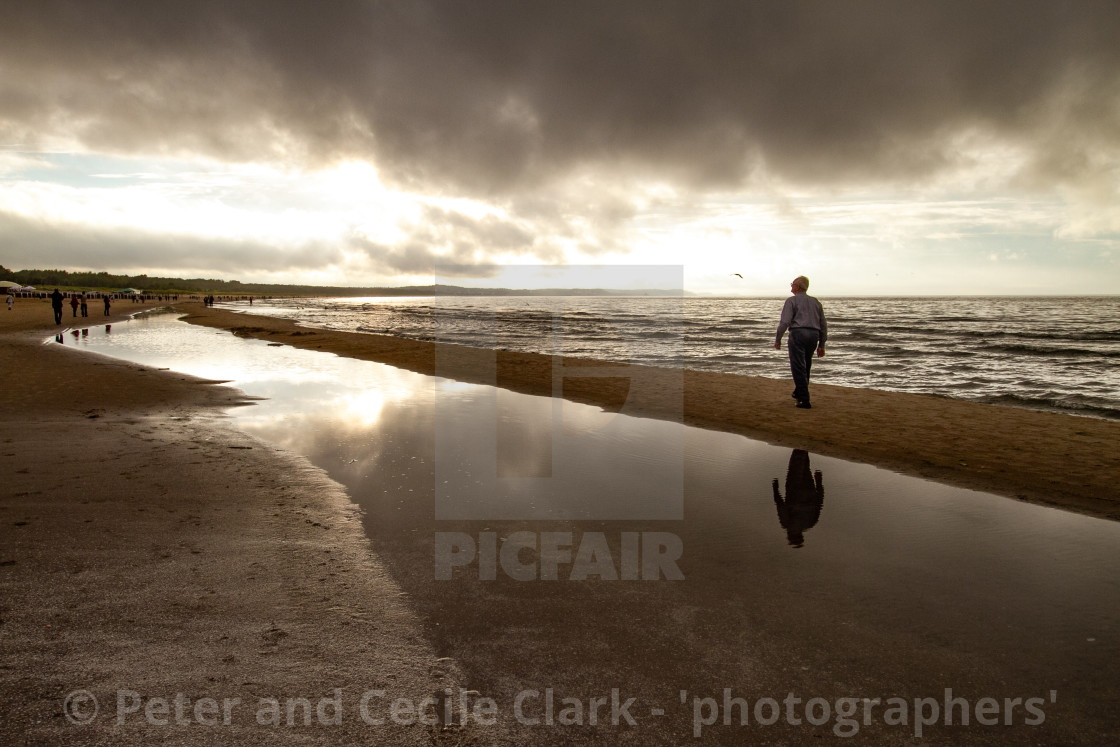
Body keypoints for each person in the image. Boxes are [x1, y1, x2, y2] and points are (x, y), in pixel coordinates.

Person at [774, 275, 826, 409]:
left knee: (798, 366)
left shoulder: (792, 301)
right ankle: (799, 393)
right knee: (806, 364)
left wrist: (778, 338)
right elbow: (823, 324)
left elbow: (785, 322)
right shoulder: (816, 302)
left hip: (798, 333)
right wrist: (821, 344)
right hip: (813, 334)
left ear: (798, 287)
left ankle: (804, 399)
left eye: (792, 284)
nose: (791, 286)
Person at [771, 449, 825, 548]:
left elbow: (819, 502)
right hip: (794, 489)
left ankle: (804, 445)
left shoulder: (811, 524)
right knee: (797, 462)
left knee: (804, 466)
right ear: (790, 536)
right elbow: (780, 506)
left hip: (809, 490)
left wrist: (819, 482)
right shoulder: (787, 523)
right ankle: (802, 444)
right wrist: (775, 489)